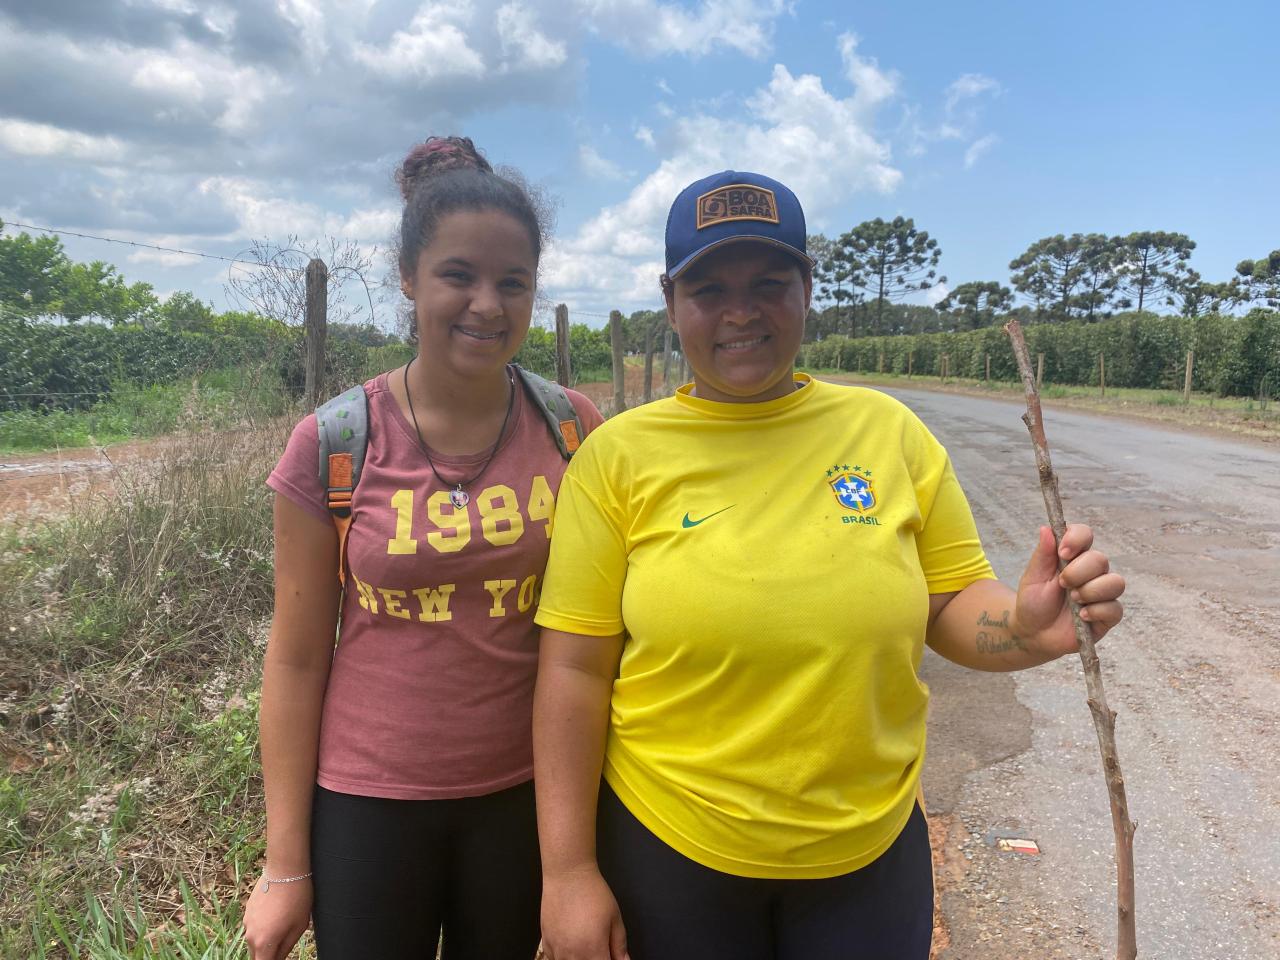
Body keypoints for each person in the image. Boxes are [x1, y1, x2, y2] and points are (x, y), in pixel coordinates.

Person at [531, 170, 1126, 960]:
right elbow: (573, 671)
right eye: (709, 288)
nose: (740, 311)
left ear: (807, 290)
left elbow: (948, 604)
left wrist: (1021, 628)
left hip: (869, 852)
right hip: (672, 845)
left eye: (769, 283)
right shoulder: (616, 458)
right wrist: (568, 872)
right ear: (671, 302)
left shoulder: (889, 433)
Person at [242, 136, 603, 960]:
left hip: (526, 798)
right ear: (409, 279)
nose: (488, 304)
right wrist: (285, 865)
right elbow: (297, 660)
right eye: (458, 276)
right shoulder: (333, 442)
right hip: (369, 802)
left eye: (513, 282)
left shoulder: (577, 430)